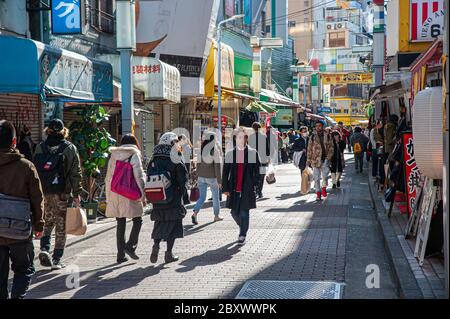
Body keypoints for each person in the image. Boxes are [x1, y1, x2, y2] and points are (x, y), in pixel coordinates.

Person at [0, 120, 44, 299]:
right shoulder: (26, 166)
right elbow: (37, 197)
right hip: (19, 229)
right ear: (14, 142)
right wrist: (39, 224)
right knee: (24, 269)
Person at [33, 119, 82, 270]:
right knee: (61, 225)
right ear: (63, 131)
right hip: (61, 192)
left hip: (44, 192)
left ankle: (44, 249)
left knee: (47, 221)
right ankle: (56, 259)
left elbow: (34, 170)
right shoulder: (69, 148)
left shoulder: (40, 148)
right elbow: (75, 173)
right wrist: (77, 192)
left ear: (48, 130)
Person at [105, 134, 146, 263]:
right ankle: (130, 245)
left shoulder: (114, 155)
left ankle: (120, 255)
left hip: (116, 192)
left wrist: (108, 197)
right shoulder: (135, 154)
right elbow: (138, 176)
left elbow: (109, 177)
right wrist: (143, 194)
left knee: (120, 222)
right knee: (138, 219)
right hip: (130, 191)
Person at [148, 132, 188, 264]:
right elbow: (182, 178)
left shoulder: (154, 158)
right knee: (174, 225)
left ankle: (156, 245)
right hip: (173, 197)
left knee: (159, 222)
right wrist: (183, 194)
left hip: (157, 195)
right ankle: (168, 253)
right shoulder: (175, 157)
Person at [222, 127, 261, 245]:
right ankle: (243, 226)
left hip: (247, 187)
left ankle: (242, 234)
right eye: (237, 137)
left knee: (244, 212)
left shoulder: (252, 153)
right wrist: (225, 188)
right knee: (234, 212)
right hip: (233, 187)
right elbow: (225, 172)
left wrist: (254, 183)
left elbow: (258, 171)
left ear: (246, 139)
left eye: (241, 137)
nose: (239, 139)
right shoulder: (230, 154)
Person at [192, 131, 223, 224]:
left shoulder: (201, 149)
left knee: (202, 197)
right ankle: (216, 216)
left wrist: (198, 174)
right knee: (215, 197)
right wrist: (219, 180)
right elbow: (217, 166)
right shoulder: (215, 150)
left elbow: (197, 163)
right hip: (212, 177)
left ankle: (195, 213)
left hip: (201, 177)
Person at [306, 120, 334, 201]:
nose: (318, 127)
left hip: (325, 159)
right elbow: (309, 149)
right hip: (315, 160)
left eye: (320, 126)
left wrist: (328, 158)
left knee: (325, 176)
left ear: (323, 126)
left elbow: (331, 148)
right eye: (317, 126)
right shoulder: (312, 136)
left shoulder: (328, 136)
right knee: (316, 178)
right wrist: (308, 160)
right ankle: (318, 194)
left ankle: (324, 188)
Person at [248, 122, 269, 198]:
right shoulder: (264, 136)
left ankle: (255, 190)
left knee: (254, 175)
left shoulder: (250, 137)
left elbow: (249, 148)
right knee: (262, 176)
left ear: (253, 128)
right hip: (262, 159)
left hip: (253, 159)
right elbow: (267, 150)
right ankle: (259, 192)